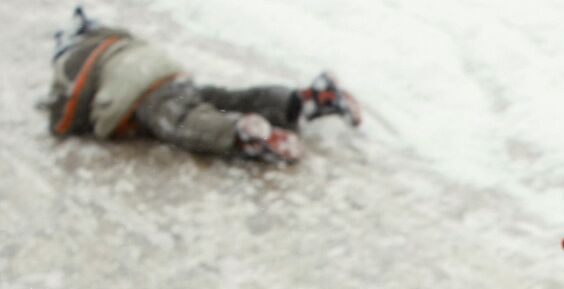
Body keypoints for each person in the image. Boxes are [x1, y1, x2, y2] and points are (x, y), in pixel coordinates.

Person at [47, 7, 361, 164]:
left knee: (181, 121)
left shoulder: (77, 57)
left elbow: (71, 103)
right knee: (223, 97)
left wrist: (60, 124)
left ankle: (241, 135)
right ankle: (303, 99)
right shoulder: (120, 39)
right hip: (171, 75)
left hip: (141, 93)